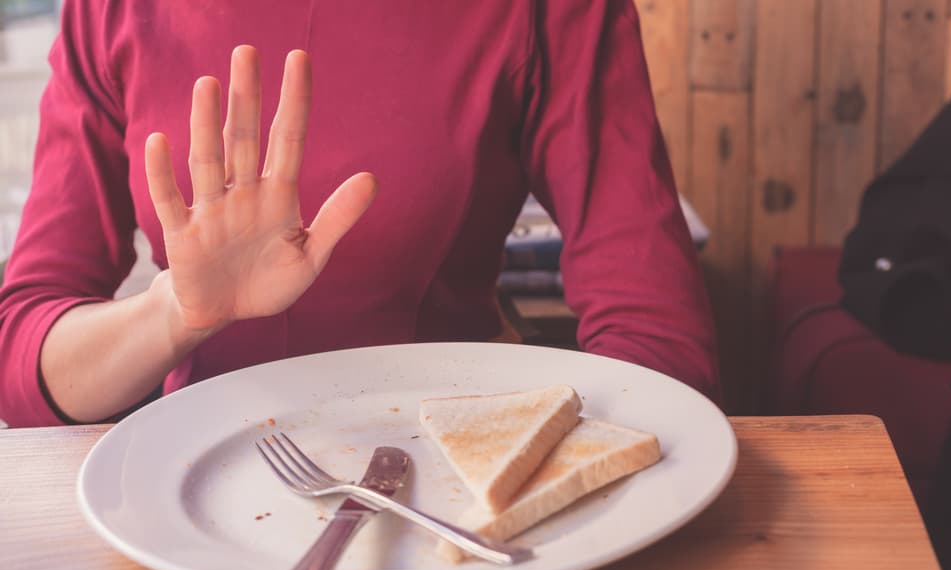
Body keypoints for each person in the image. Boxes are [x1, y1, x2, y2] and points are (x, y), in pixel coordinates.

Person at [0, 0, 720, 427]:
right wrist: (172, 317)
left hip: (466, 495)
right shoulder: (110, 11)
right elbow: (21, 357)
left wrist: (520, 484)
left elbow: (662, 347)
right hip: (194, 499)